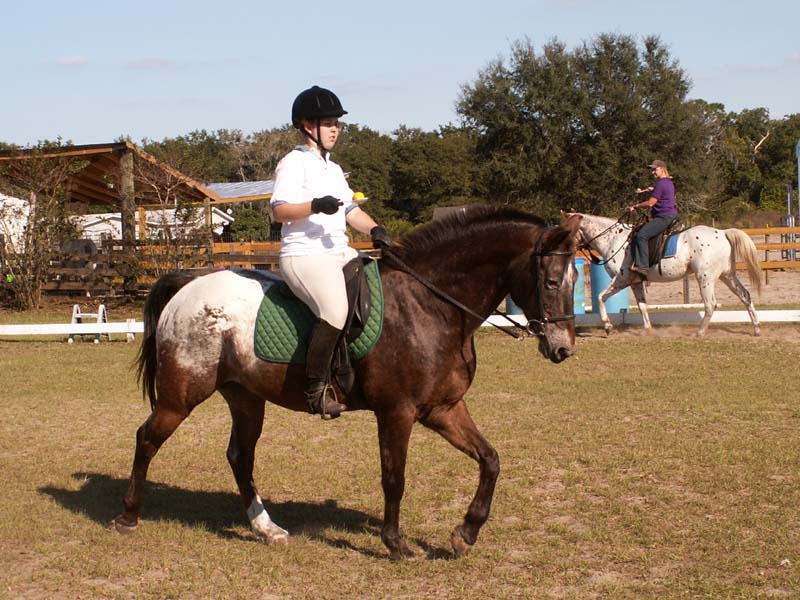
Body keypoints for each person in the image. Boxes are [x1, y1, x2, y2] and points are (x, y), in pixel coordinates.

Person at [270, 85, 392, 419]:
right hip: (304, 255)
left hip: (339, 251)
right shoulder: (293, 164)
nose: (335, 129)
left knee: (383, 286)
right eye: (328, 123)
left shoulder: (334, 169)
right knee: (336, 312)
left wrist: (376, 230)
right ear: (308, 125)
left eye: (337, 123)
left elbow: (351, 211)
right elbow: (279, 211)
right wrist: (313, 206)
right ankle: (314, 390)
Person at [628, 159, 678, 278]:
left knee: (642, 235)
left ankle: (642, 266)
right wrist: (653, 190)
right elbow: (664, 194)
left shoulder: (660, 184)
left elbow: (651, 203)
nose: (653, 172)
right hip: (672, 215)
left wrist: (636, 206)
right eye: (652, 170)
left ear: (662, 169)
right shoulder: (668, 182)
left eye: (655, 169)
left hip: (663, 217)